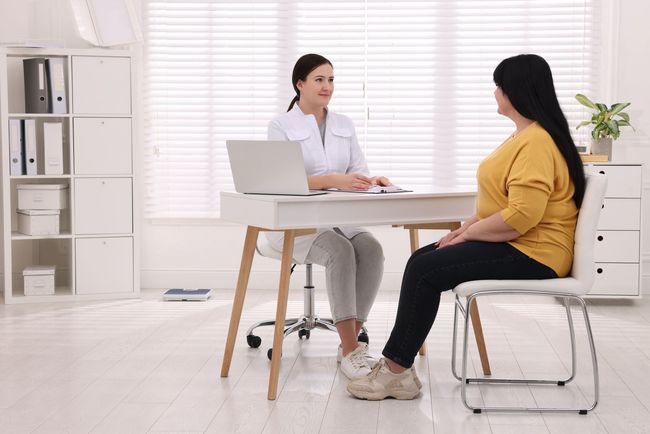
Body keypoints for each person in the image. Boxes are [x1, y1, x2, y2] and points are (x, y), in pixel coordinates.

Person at [347, 53, 586, 400]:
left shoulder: (537, 142)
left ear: (515, 91)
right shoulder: (526, 136)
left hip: (536, 252)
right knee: (420, 262)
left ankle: (396, 371)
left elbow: (522, 217)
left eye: (498, 86)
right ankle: (398, 369)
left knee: (426, 269)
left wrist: (469, 233)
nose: (494, 93)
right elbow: (505, 203)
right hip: (520, 244)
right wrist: (464, 229)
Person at [267, 53, 391, 379]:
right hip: (295, 225)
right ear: (300, 84)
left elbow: (357, 171)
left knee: (372, 249)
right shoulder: (281, 126)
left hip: (339, 218)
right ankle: (351, 348)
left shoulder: (343, 124)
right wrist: (333, 180)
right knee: (340, 250)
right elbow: (282, 179)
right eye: (319, 79)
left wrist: (371, 180)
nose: (327, 86)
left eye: (331, 79)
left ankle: (349, 343)